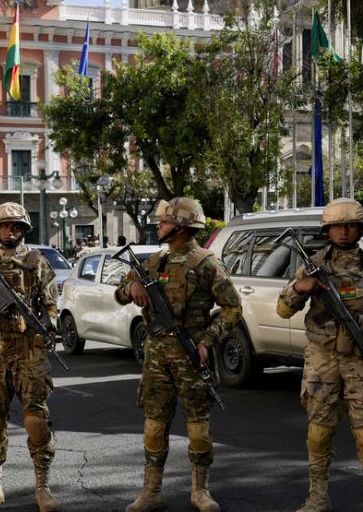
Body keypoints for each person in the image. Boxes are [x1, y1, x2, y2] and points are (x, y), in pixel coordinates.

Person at [115, 197, 241, 512]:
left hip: (191, 353)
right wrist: (131, 289)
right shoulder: (152, 262)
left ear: (181, 226)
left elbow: (232, 308)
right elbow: (120, 293)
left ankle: (200, 491)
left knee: (198, 425)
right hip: (157, 354)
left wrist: (208, 341)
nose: (158, 226)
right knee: (154, 423)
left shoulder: (206, 263)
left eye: (164, 222)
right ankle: (151, 491)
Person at [276, 198, 363, 512]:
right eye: (336, 226)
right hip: (323, 358)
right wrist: (300, 288)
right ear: (327, 230)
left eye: (350, 226)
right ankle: (318, 496)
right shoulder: (313, 263)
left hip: (361, 357)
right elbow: (282, 309)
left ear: (360, 229)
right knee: (319, 431)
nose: (343, 232)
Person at [0, 202, 60, 512]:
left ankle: (42, 488)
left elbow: (50, 304)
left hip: (28, 347)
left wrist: (48, 327)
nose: (11, 230)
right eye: (5, 226)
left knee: (36, 419)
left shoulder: (37, 262)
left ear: (24, 230)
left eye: (16, 226)